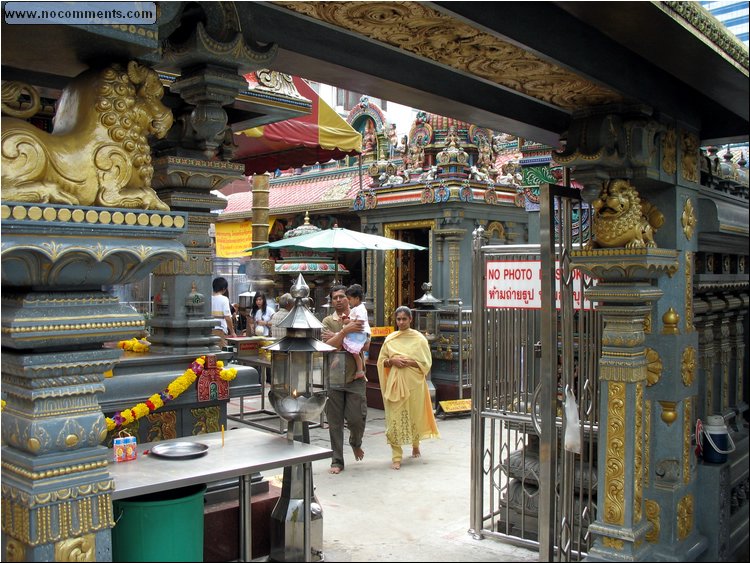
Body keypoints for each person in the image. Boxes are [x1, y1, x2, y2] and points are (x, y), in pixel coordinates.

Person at [377, 306, 440, 470]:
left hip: (414, 384)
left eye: (404, 319)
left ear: (410, 320)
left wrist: (407, 361)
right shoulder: (390, 339)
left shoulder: (419, 339)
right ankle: (396, 457)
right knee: (394, 419)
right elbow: (381, 361)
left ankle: (415, 444)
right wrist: (392, 362)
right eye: (398, 319)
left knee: (414, 414)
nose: (401, 322)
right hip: (395, 385)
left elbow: (426, 363)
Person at [321, 284, 368, 474]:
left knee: (357, 418)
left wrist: (340, 336)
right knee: (335, 422)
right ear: (331, 301)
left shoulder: (358, 316)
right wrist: (344, 332)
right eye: (335, 298)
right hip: (334, 378)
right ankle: (337, 460)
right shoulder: (327, 321)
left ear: (349, 298)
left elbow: (365, 345)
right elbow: (327, 346)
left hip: (356, 377)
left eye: (342, 296)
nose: (339, 300)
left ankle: (355, 441)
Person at [342, 284, 371, 381]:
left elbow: (360, 322)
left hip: (359, 334)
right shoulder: (356, 309)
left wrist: (348, 322)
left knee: (355, 352)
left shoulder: (361, 309)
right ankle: (360, 371)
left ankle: (360, 371)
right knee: (355, 353)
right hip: (356, 333)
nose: (348, 301)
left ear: (357, 298)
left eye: (349, 299)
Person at [211, 277, 236, 348]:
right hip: (220, 330)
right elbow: (227, 317)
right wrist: (232, 332)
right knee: (221, 351)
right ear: (224, 288)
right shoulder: (224, 299)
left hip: (209, 330)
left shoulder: (209, 298)